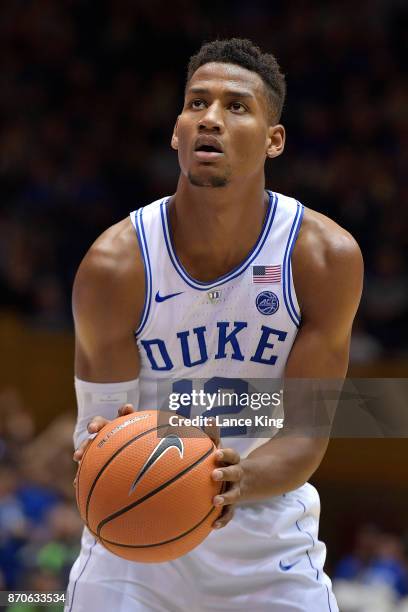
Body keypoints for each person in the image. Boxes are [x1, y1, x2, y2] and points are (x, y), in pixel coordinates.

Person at [65, 38, 363, 611]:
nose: (211, 119)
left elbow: (304, 434)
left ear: (274, 140)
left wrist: (235, 480)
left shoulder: (322, 258)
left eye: (236, 106)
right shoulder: (115, 265)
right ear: (176, 131)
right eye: (197, 103)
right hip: (132, 547)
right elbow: (94, 435)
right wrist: (102, 445)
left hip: (268, 544)